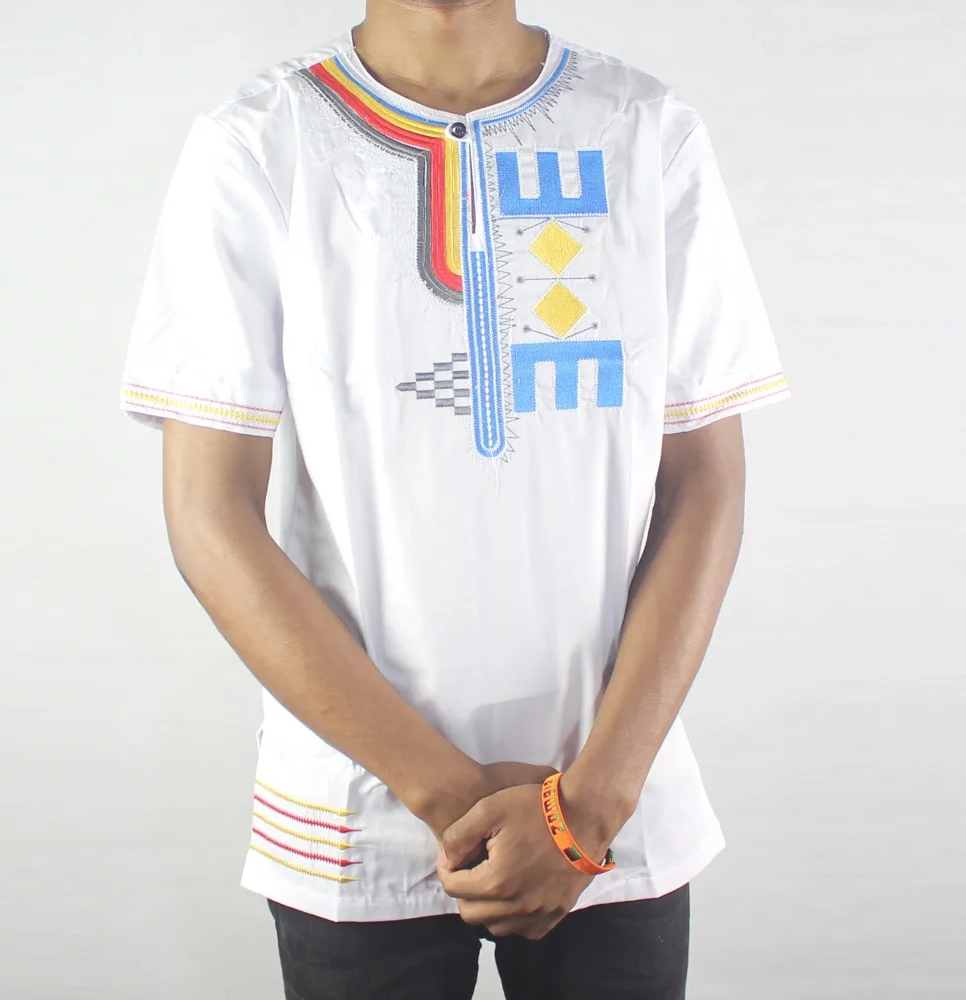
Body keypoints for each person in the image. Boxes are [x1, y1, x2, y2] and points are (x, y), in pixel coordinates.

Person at [118, 1, 790, 997]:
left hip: (615, 793)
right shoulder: (260, 143)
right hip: (356, 807)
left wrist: (589, 806)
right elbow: (208, 516)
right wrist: (447, 795)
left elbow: (705, 482)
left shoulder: (645, 129)